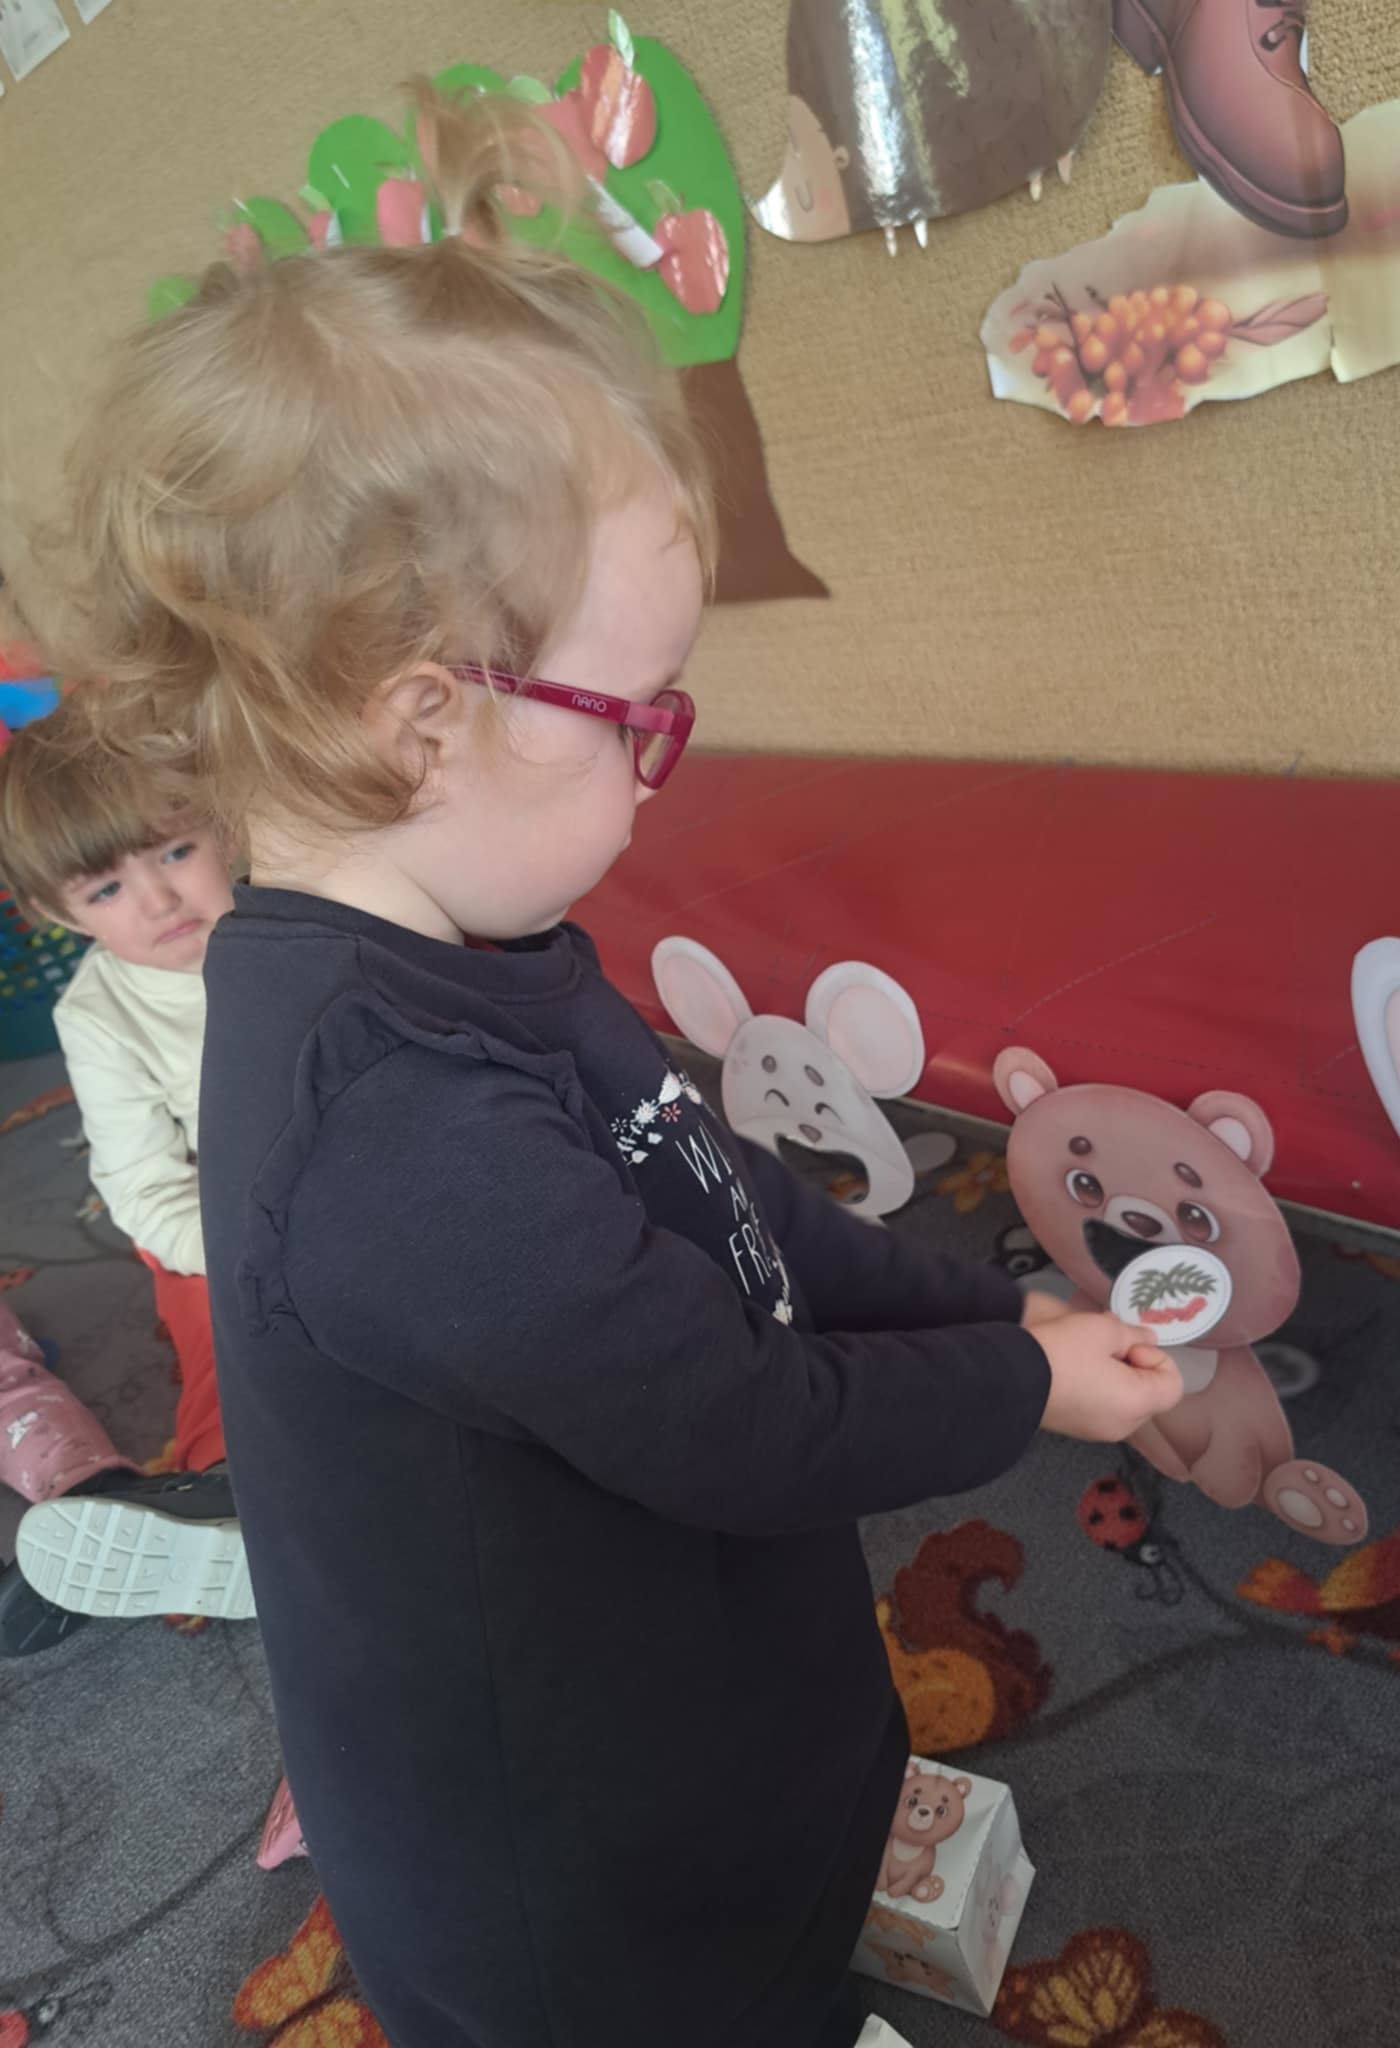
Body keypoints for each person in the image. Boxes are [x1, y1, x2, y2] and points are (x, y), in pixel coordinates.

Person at [52, 82, 1183, 2048]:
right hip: (570, 1880)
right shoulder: (394, 1133)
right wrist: (1028, 1382)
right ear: (422, 722)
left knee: (778, 1867)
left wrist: (982, 1303)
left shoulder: (480, 947)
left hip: (686, 1683)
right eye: (637, 715)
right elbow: (741, 1424)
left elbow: (716, 1194)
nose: (666, 764)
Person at [0, 704, 253, 1655]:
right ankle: (223, 1501)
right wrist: (249, 1249)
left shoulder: (300, 917)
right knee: (223, 1339)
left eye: (177, 850)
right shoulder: (98, 1015)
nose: (159, 899)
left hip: (369, 1174)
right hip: (220, 1218)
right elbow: (147, 1189)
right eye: (107, 888)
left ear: (224, 826)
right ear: (60, 915)